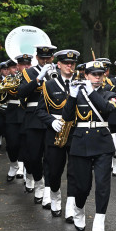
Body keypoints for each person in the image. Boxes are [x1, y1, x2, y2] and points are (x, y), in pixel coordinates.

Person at [62, 60, 116, 231]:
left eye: (100, 74)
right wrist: (71, 96)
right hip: (81, 143)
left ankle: (99, 221)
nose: (97, 77)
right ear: (85, 75)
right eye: (93, 74)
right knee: (82, 186)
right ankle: (78, 209)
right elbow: (67, 117)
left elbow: (107, 109)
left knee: (102, 185)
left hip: (102, 142)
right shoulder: (78, 94)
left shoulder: (109, 92)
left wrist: (91, 92)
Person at [35, 49, 80, 219]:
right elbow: (39, 111)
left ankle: (70, 205)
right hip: (55, 132)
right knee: (54, 171)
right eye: (66, 63)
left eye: (72, 63)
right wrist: (51, 121)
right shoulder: (49, 85)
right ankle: (54, 196)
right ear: (58, 65)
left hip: (76, 131)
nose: (70, 66)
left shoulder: (81, 83)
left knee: (75, 171)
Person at [18, 44, 57, 206]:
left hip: (52, 118)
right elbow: (21, 93)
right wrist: (38, 79)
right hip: (34, 118)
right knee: (33, 156)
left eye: (48, 58)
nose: (46, 61)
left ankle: (47, 190)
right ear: (37, 58)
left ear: (53, 58)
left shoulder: (59, 72)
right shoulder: (28, 73)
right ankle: (38, 181)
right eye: (42, 58)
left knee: (50, 157)